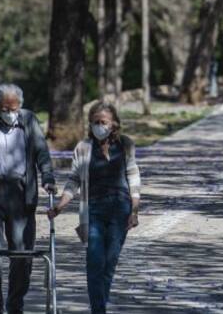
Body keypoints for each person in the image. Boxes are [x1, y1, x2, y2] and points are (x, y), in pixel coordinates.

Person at [0, 83, 57, 314]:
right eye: (4, 108)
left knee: (22, 255)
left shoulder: (29, 120)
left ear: (20, 106)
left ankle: (15, 305)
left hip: (21, 196)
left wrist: (47, 177)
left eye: (14, 108)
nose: (10, 113)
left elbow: (41, 152)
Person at [48, 102, 141, 314]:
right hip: (94, 210)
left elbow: (133, 176)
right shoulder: (83, 148)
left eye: (103, 122)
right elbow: (74, 181)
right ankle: (98, 310)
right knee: (94, 261)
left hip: (120, 208)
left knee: (110, 262)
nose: (99, 126)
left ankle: (99, 308)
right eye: (95, 122)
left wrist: (134, 210)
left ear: (114, 123)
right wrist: (60, 205)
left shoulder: (126, 144)